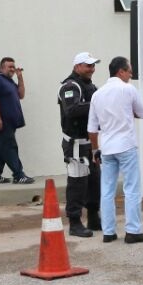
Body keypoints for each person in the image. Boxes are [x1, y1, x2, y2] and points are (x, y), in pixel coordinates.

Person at [87, 56, 143, 244]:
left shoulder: (97, 94)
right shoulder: (128, 89)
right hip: (126, 145)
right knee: (131, 188)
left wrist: (95, 150)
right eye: (129, 71)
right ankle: (133, 230)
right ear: (120, 71)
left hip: (106, 147)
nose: (131, 74)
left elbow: (92, 128)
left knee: (107, 189)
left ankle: (108, 231)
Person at [58, 51, 102, 236]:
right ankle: (74, 222)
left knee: (94, 180)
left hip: (90, 142)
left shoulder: (91, 86)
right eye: (88, 65)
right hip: (75, 143)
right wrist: (98, 104)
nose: (92, 69)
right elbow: (72, 109)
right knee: (77, 182)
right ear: (77, 67)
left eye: (93, 65)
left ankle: (93, 217)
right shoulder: (70, 86)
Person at [0, 56, 33, 184]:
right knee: (9, 146)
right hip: (1, 122)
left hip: (10, 123)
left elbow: (21, 95)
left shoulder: (9, 81)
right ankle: (19, 175)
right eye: (9, 67)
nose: (12, 68)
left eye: (13, 66)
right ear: (2, 68)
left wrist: (20, 77)